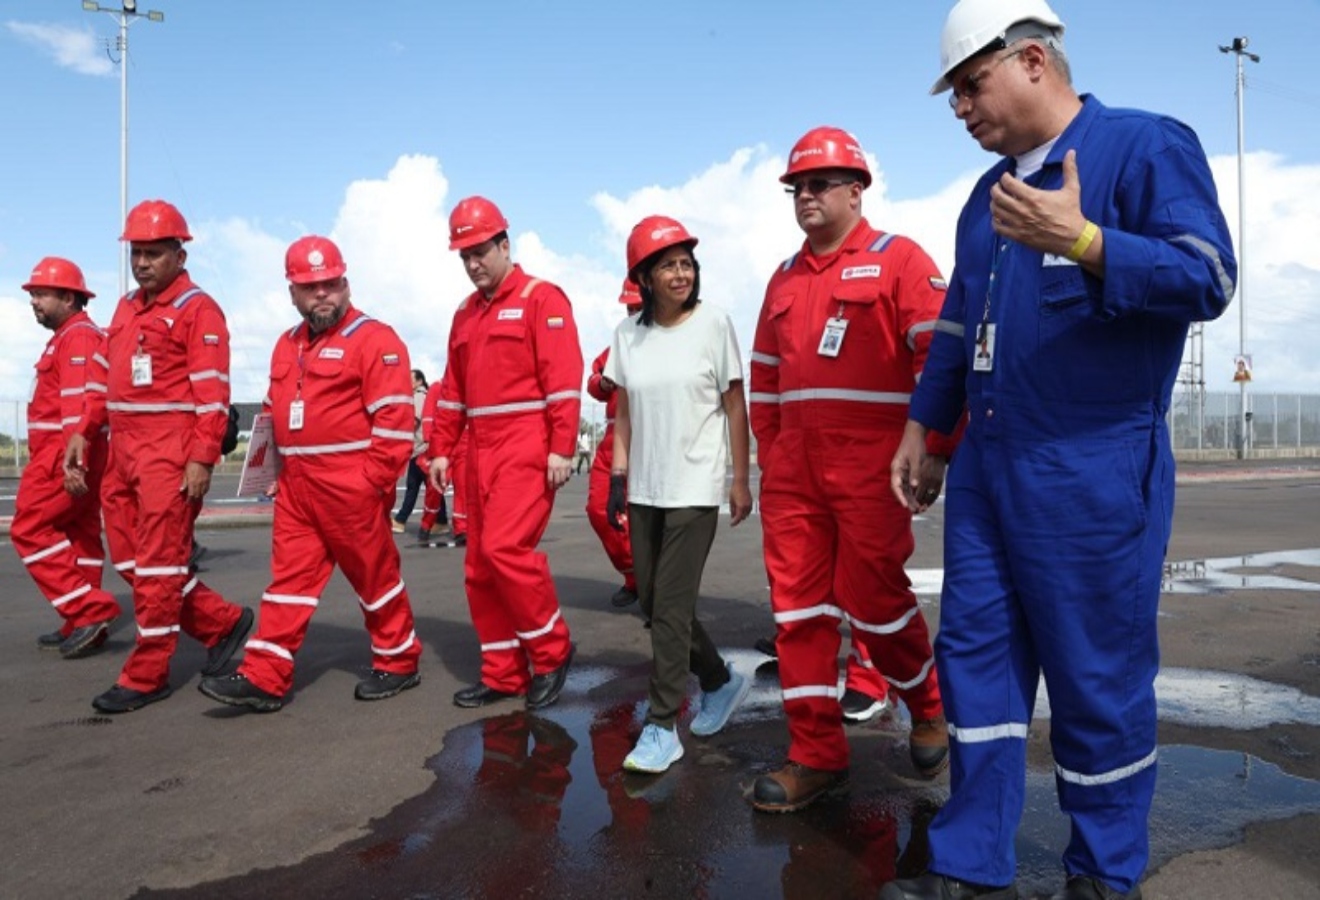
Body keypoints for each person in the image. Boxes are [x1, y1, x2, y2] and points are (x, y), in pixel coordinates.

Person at [883, 2, 1236, 897]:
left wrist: (1083, 241)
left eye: (971, 86)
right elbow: (959, 330)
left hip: (1093, 466)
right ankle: (969, 861)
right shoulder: (985, 199)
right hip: (989, 471)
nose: (960, 108)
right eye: (954, 95)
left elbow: (1208, 274)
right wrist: (925, 428)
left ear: (1033, 60)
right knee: (976, 666)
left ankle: (1103, 869)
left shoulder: (1146, 147)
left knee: (1096, 679)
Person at [749, 126, 957, 812]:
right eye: (796, 188)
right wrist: (775, 452)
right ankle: (814, 754)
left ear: (856, 190)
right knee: (799, 614)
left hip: (874, 470)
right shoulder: (782, 280)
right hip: (794, 476)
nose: (804, 197)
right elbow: (765, 381)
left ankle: (926, 704)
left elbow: (941, 359)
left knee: (874, 601)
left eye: (818, 185)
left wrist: (931, 448)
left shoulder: (900, 262)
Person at [198, 235, 422, 711]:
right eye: (310, 286)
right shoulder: (286, 345)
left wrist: (369, 485)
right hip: (298, 488)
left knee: (375, 579)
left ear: (345, 282)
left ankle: (399, 660)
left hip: (351, 485)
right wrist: (268, 470)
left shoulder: (376, 340)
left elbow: (395, 421)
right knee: (288, 584)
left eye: (331, 283)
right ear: (292, 293)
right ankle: (265, 675)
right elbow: (272, 411)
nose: (322, 293)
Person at [64, 200, 252, 713]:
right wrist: (84, 428)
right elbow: (102, 376)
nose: (142, 263)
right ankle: (223, 622)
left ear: (178, 251)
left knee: (160, 567)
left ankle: (148, 672)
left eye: (152, 253)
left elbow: (213, 396)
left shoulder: (199, 310)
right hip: (123, 449)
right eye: (136, 253)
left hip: (169, 454)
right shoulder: (125, 308)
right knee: (130, 561)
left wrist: (201, 459)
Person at [604, 215, 753, 773]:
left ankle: (662, 725)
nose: (680, 273)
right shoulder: (628, 335)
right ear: (643, 276)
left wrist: (738, 479)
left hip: (695, 484)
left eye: (686, 263)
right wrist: (619, 477)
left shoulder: (714, 324)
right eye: (667, 264)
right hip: (646, 485)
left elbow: (735, 405)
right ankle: (718, 681)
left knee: (669, 606)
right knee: (651, 602)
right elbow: (624, 412)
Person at [428, 195, 581, 710]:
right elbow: (452, 389)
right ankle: (503, 672)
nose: (473, 264)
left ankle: (552, 651)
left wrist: (562, 447)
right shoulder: (464, 314)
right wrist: (441, 449)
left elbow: (562, 382)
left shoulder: (543, 299)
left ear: (505, 245)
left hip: (526, 441)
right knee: (477, 564)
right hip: (477, 446)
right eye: (464, 256)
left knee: (505, 551)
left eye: (480, 252)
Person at [13, 257, 120, 659]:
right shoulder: (70, 336)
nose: (34, 302)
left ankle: (88, 610)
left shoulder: (77, 337)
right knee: (81, 537)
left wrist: (74, 463)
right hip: (67, 452)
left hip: (64, 454)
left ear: (69, 297)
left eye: (41, 294)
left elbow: (80, 408)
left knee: (29, 527)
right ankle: (83, 623)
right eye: (33, 294)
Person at [584, 278, 642, 609]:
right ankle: (634, 576)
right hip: (611, 439)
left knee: (644, 518)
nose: (632, 312)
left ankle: (653, 585)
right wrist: (604, 381)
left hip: (646, 438)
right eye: (628, 307)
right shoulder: (619, 342)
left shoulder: (666, 340)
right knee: (598, 510)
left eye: (637, 306)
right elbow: (594, 379)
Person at [393, 369, 447, 535]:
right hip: (423, 449)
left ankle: (401, 520)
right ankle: (441, 521)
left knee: (413, 486)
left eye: (410, 379)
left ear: (419, 381)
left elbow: (414, 420)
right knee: (432, 486)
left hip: (420, 450)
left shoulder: (419, 395)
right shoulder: (423, 395)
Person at [416, 377, 456, 544]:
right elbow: (428, 416)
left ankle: (463, 528)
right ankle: (426, 525)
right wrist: (428, 440)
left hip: (462, 443)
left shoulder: (468, 386)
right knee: (435, 486)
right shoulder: (437, 387)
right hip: (442, 443)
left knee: (466, 488)